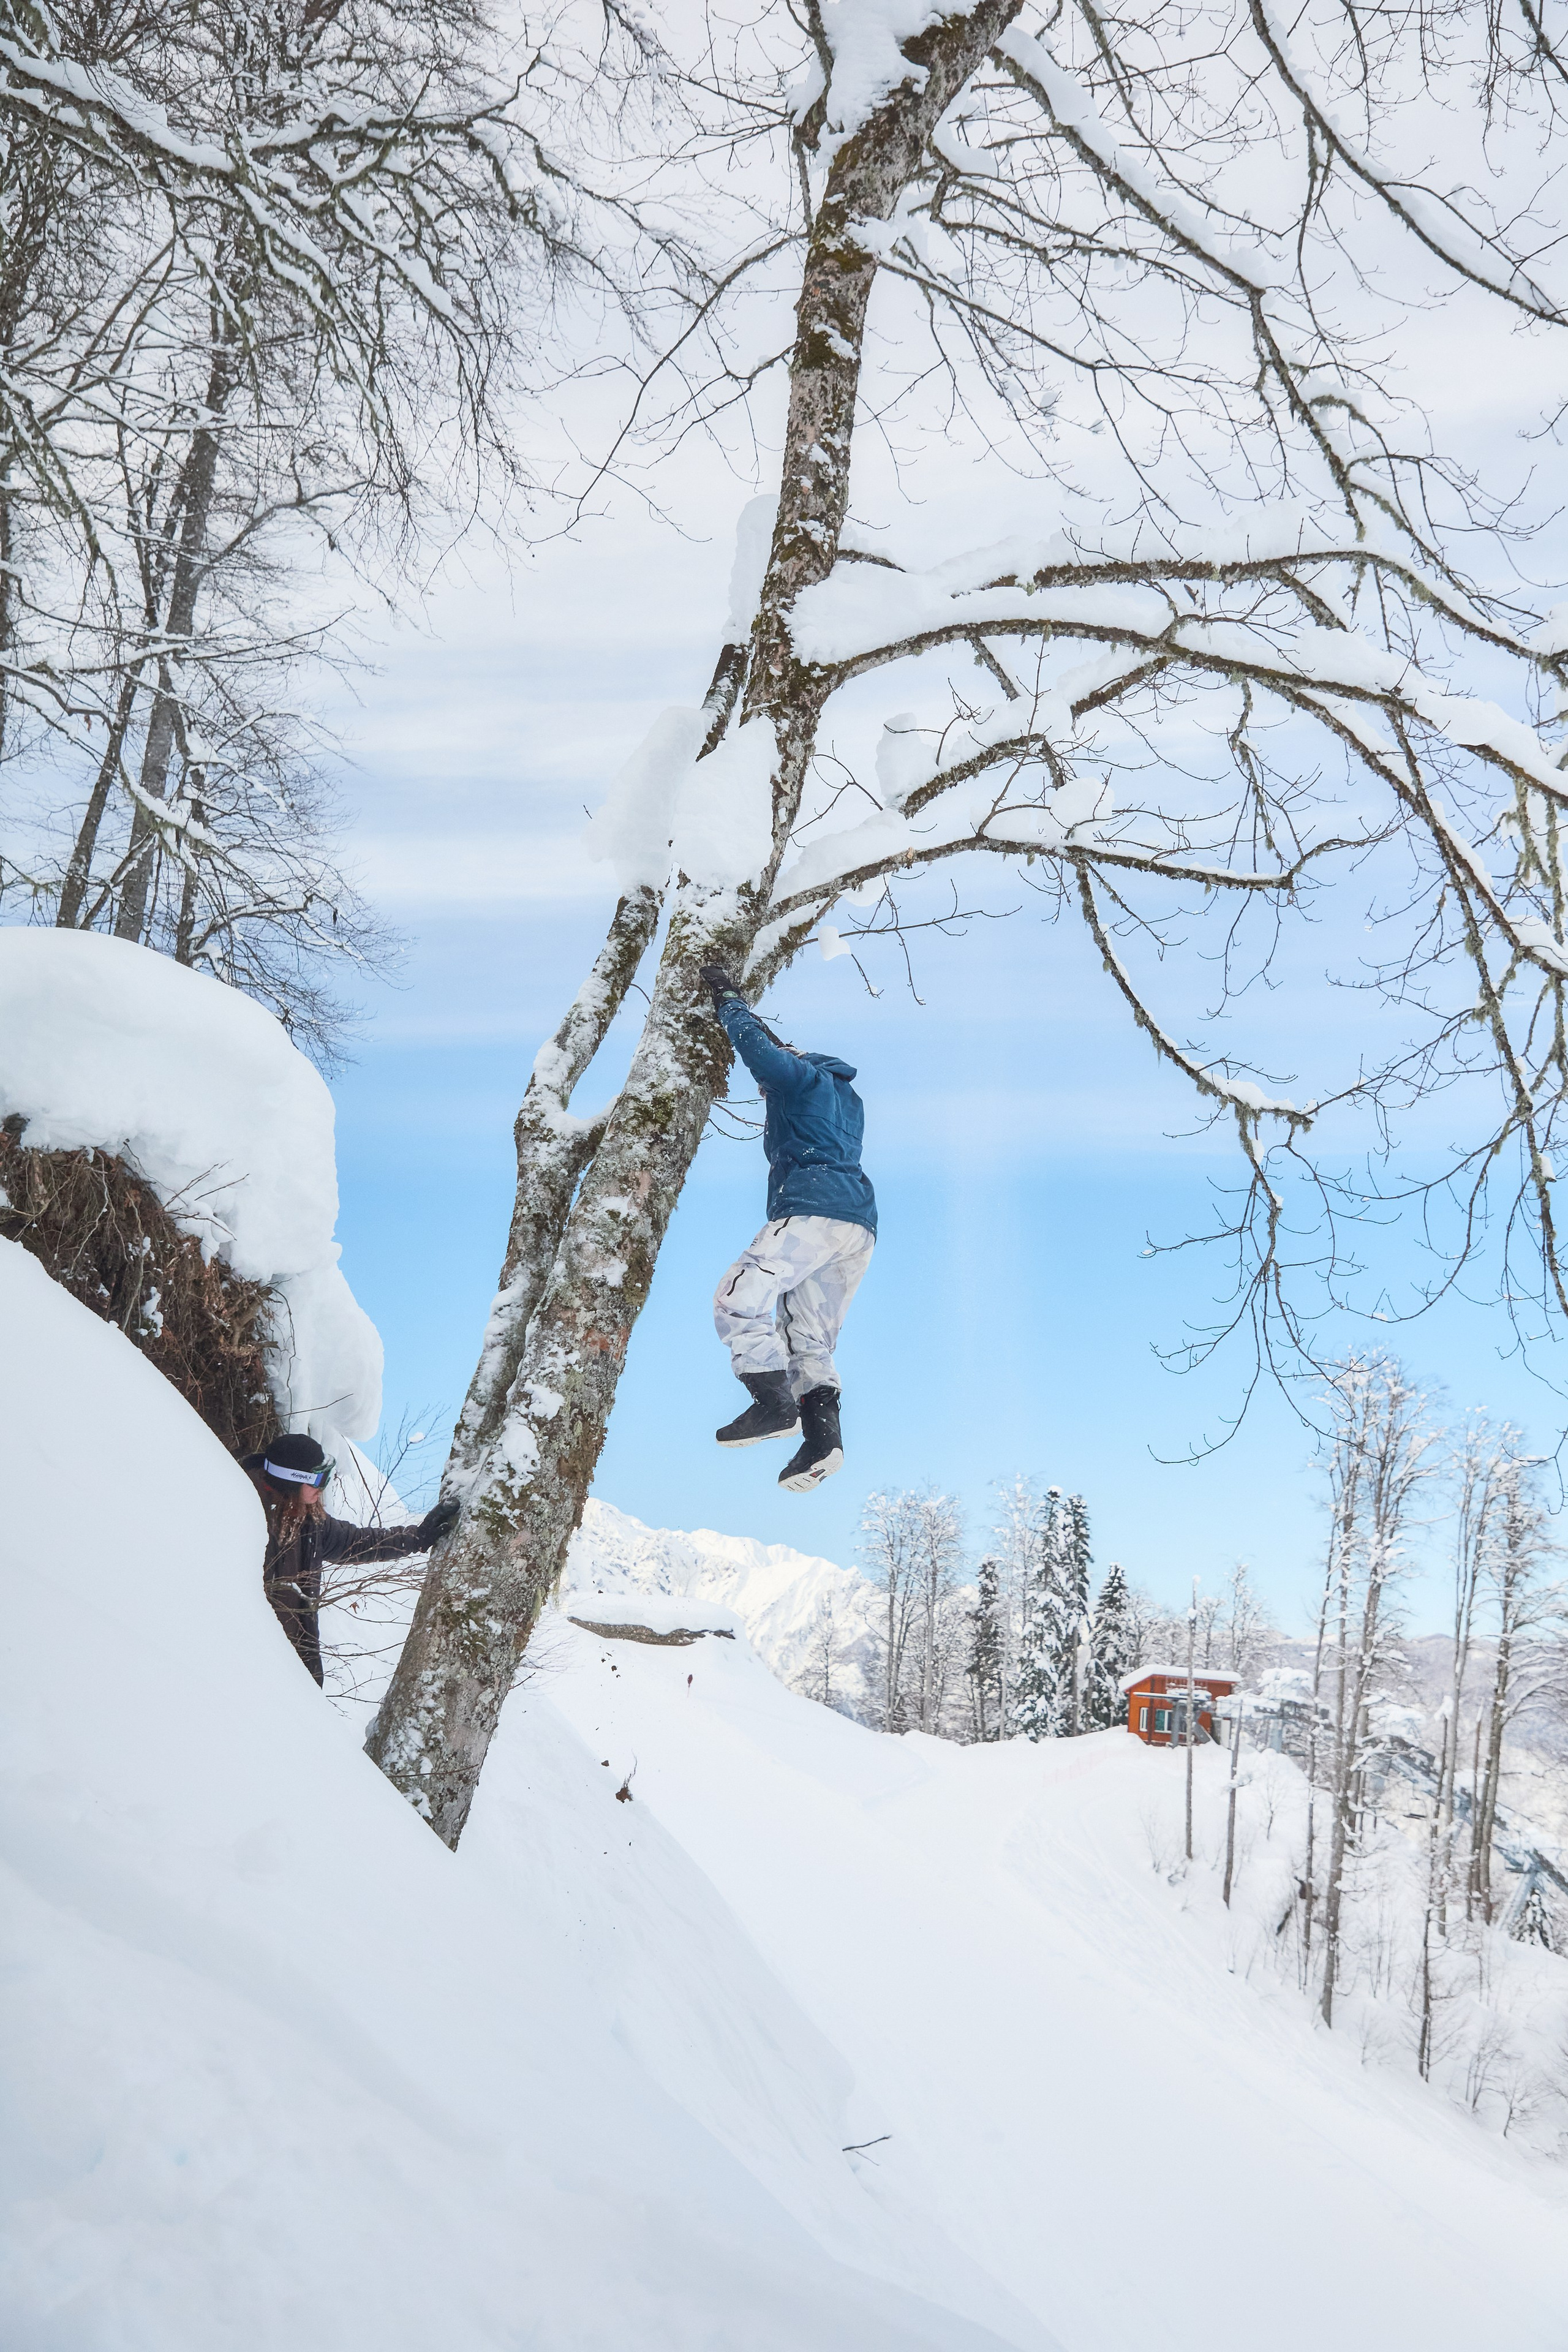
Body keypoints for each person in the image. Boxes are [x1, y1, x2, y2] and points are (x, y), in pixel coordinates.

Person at [699, 963, 876, 1492]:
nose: (763, 1090)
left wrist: (729, 1004)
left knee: (738, 1297)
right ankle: (823, 1441)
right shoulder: (847, 1098)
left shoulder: (803, 1078)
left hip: (811, 1210)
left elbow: (765, 1055)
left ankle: (773, 1403)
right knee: (810, 1336)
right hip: (858, 1225)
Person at [241, 1433, 459, 1686]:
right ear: (292, 1480)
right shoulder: (245, 1512)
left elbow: (356, 1542)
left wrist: (418, 1537)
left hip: (294, 1668)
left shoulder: (307, 1519)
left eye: (327, 1477)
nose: (322, 1488)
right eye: (318, 1480)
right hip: (254, 1665)